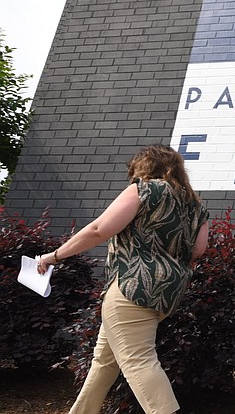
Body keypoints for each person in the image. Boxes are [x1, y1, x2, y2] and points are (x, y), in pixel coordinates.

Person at [37, 144, 209, 414]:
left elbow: (98, 230)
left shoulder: (144, 189)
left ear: (143, 166)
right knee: (104, 361)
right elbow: (198, 250)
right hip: (166, 293)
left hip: (131, 287)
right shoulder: (194, 204)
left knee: (139, 360)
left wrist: (54, 256)